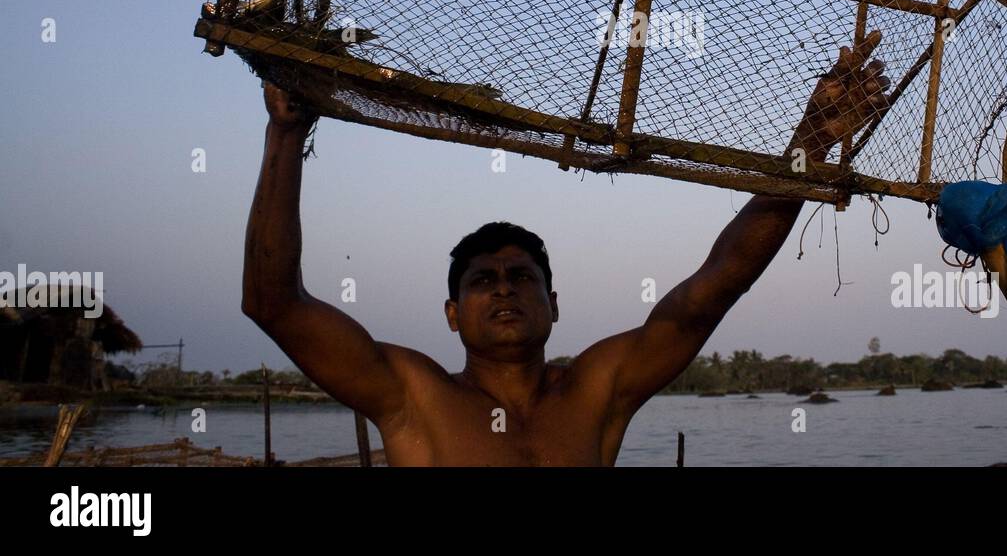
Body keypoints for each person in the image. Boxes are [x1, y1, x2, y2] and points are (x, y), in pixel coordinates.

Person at [242, 32, 890, 465]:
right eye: (482, 280)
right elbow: (274, 303)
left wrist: (812, 141)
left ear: (554, 304)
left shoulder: (596, 389)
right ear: (451, 313)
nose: (502, 288)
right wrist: (285, 131)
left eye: (521, 277)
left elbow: (716, 284)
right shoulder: (416, 398)